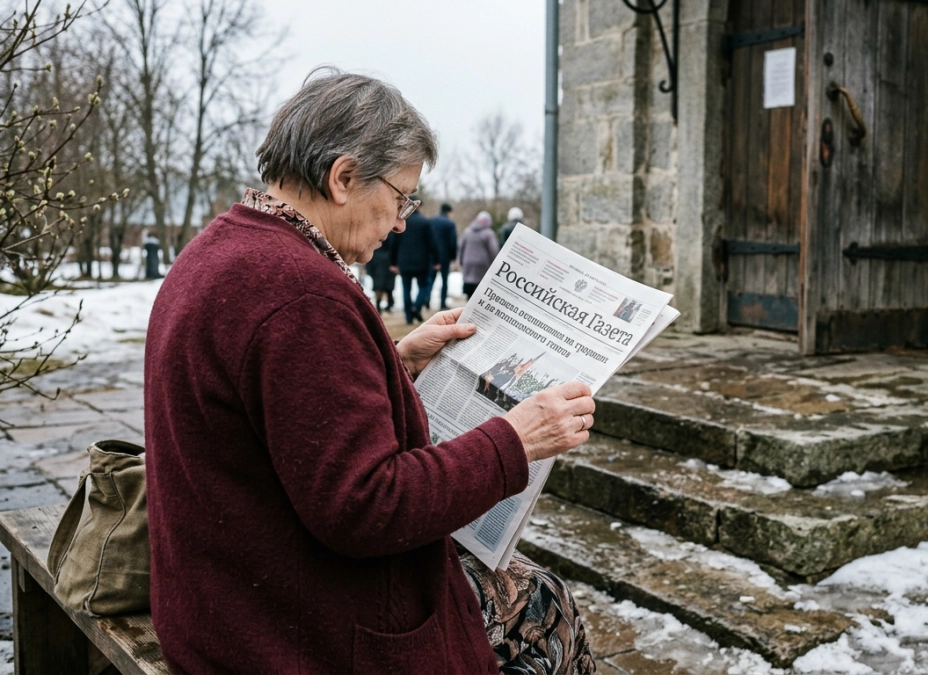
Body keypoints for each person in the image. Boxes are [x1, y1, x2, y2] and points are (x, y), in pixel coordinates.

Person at [144, 70, 597, 675]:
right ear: (343, 177)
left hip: (224, 595)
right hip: (281, 631)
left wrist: (397, 360)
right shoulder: (302, 295)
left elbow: (287, 407)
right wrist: (515, 442)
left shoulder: (226, 248)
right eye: (401, 196)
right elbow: (366, 506)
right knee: (546, 609)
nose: (403, 220)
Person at [394, 201, 439, 323]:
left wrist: (393, 262)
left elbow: (394, 244)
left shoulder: (401, 222)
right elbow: (432, 243)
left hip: (404, 261)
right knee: (424, 286)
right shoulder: (425, 222)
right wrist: (436, 260)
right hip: (422, 262)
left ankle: (408, 317)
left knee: (406, 290)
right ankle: (417, 307)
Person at [459, 210, 498, 301]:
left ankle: (469, 300)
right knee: (480, 285)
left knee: (469, 282)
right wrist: (495, 263)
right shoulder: (489, 233)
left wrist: (461, 260)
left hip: (467, 261)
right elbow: (493, 250)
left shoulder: (467, 231)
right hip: (482, 263)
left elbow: (461, 247)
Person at [430, 202, 458, 310]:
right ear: (449, 212)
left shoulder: (431, 221)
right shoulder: (449, 224)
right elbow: (453, 242)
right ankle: (442, 303)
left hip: (432, 255)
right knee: (444, 281)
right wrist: (453, 256)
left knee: (431, 279)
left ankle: (426, 300)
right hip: (445, 256)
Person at [365, 229, 399, 311]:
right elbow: (394, 245)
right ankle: (389, 303)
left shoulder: (374, 230)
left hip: (375, 258)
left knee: (379, 284)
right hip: (388, 259)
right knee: (387, 283)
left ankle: (380, 303)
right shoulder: (392, 231)